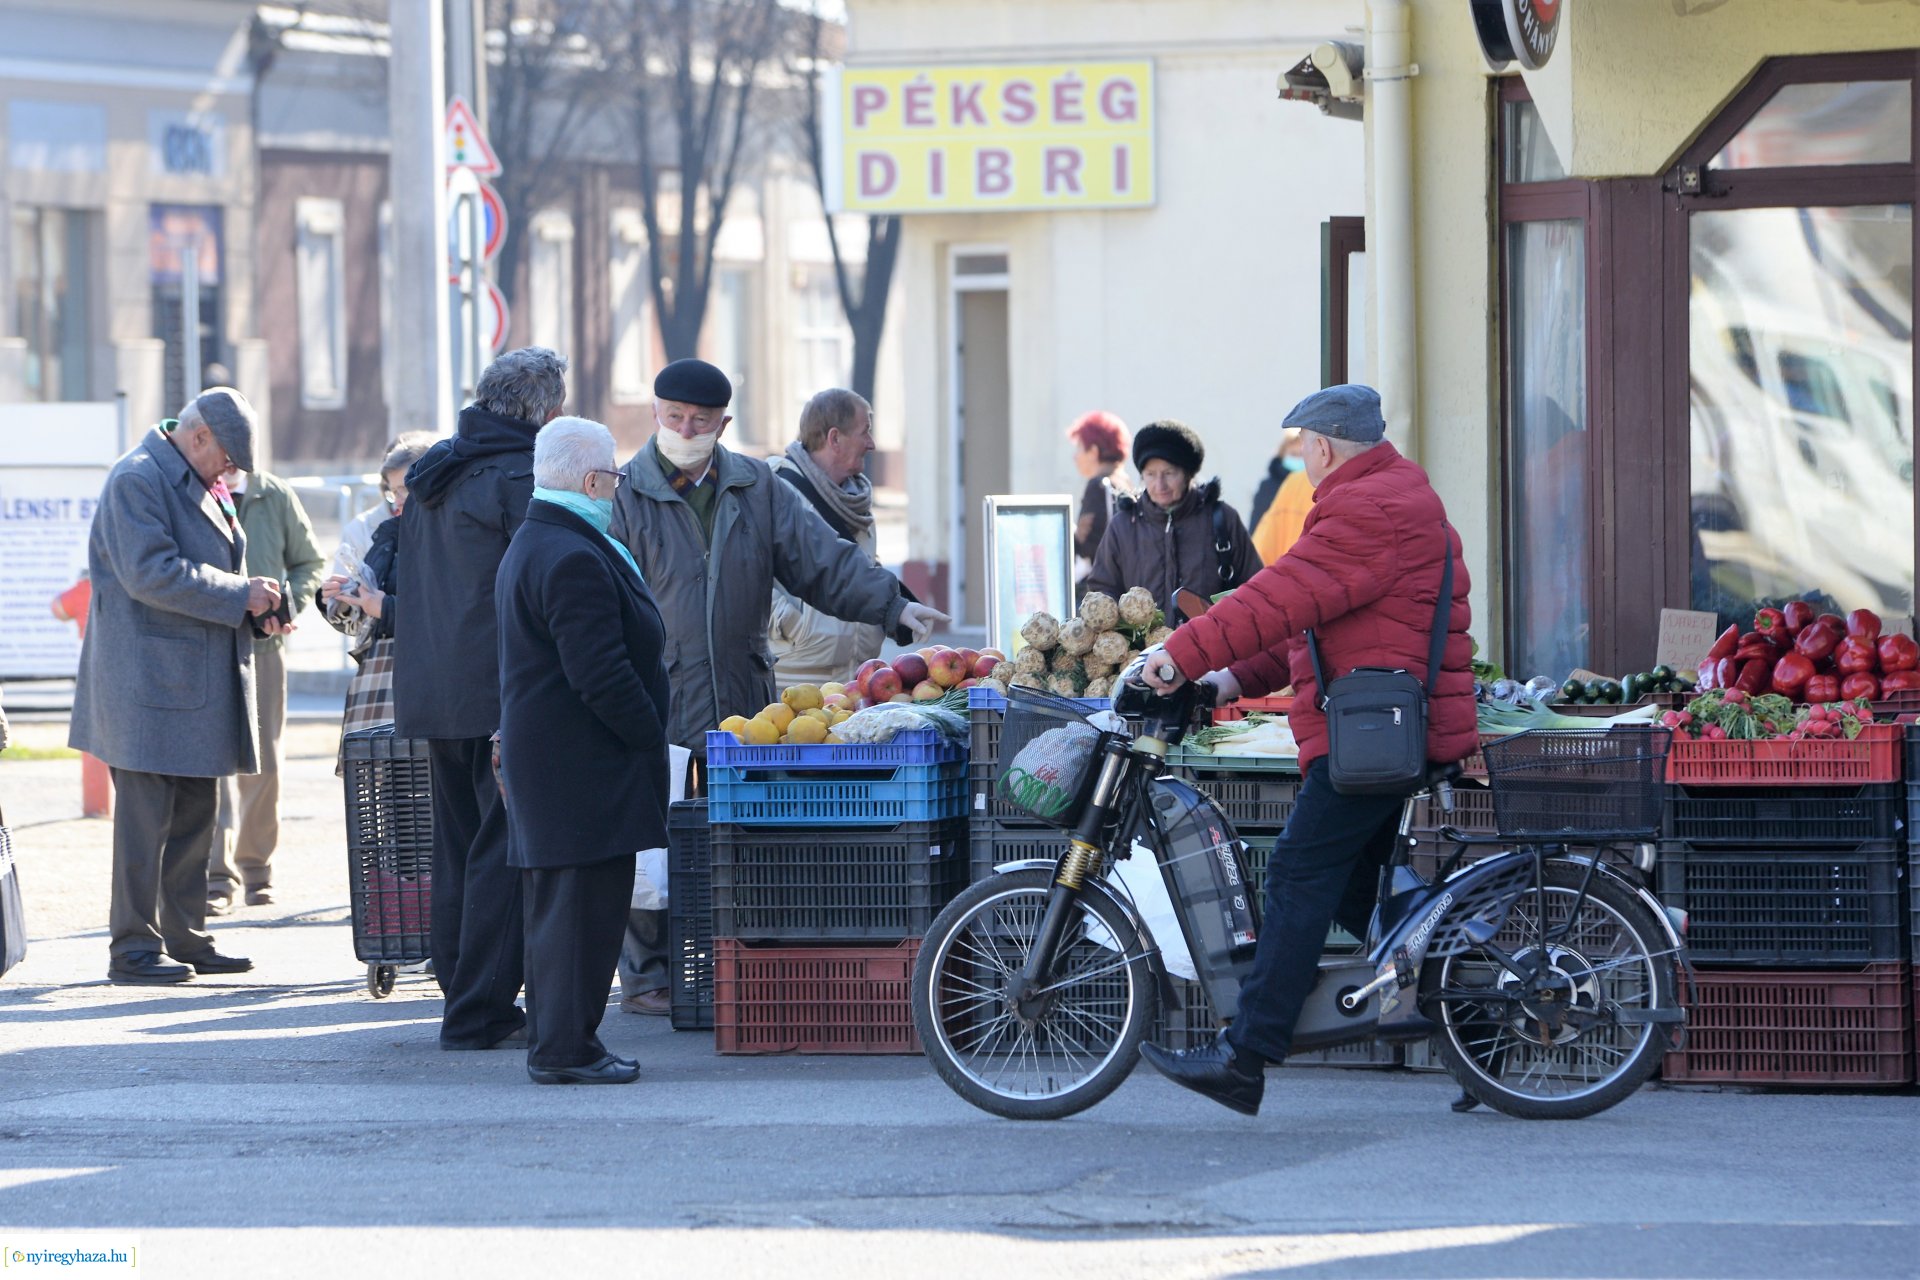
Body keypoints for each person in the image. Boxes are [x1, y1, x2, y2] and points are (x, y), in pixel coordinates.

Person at [1134, 384, 1476, 1115]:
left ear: (1321, 447)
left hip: (1376, 738)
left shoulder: (1367, 509)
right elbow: (1308, 629)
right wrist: (1224, 678)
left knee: (1296, 871)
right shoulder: (1389, 496)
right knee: (1358, 884)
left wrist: (1180, 654)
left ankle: (1246, 1053)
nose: (1304, 463)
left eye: (1304, 450)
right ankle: (1478, 1016)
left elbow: (1276, 598)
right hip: (1384, 726)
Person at [610, 359, 948, 1015]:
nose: (685, 429)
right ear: (656, 415)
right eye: (674, 417)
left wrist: (895, 606)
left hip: (741, 691)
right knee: (654, 835)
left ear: (722, 424)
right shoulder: (625, 494)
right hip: (656, 688)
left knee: (735, 835)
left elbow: (821, 560)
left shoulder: (754, 487)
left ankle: (727, 961)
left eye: (700, 421)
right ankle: (649, 975)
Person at [69, 389, 284, 984]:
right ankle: (134, 948)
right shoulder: (138, 478)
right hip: (147, 688)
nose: (231, 473)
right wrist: (241, 595)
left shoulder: (187, 474)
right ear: (199, 439)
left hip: (188, 685)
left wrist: (256, 604)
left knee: (195, 816)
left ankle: (187, 935)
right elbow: (152, 574)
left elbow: (209, 565)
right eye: (228, 460)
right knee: (145, 826)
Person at [394, 347, 567, 1050]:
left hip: (435, 687)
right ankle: (478, 1010)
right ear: (545, 411)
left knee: (461, 846)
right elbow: (541, 584)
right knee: (501, 849)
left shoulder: (437, 467)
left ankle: (461, 990)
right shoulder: (519, 476)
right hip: (500, 692)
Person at [497, 417, 670, 1084]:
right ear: (593, 480)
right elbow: (599, 673)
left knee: (562, 913)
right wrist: (647, 733)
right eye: (615, 478)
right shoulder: (570, 553)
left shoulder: (543, 538)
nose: (617, 488)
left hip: (562, 765)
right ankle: (567, 1049)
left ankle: (558, 1039)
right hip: (583, 768)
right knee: (581, 917)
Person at [205, 460, 326, 914]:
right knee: (212, 762)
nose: (228, 464)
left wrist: (288, 604)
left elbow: (309, 561)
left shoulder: (276, 495)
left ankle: (256, 870)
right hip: (210, 647)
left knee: (265, 764)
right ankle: (216, 878)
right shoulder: (196, 490)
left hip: (266, 651)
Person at [769, 388, 906, 688]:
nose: (871, 444)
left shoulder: (855, 498)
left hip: (856, 678)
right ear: (834, 438)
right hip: (794, 679)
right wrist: (791, 623)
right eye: (865, 432)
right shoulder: (775, 491)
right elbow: (746, 571)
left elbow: (861, 565)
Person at [319, 434, 436, 763]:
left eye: (403, 489)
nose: (396, 500)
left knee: (422, 793)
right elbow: (357, 618)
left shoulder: (450, 533)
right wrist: (344, 598)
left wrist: (384, 606)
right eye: (391, 490)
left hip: (426, 679)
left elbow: (445, 613)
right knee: (382, 793)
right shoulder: (383, 532)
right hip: (380, 676)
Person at [1083, 419, 1263, 623]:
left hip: (1211, 649)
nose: (1160, 485)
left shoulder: (1221, 519)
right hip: (1144, 654)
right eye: (1150, 474)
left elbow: (1254, 589)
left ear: (1188, 475)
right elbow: (1103, 592)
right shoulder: (1123, 525)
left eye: (1169, 473)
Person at [1067, 410, 1133, 591]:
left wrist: (1071, 535)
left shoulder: (1098, 485)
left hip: (1100, 591)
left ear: (1094, 451)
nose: (1075, 457)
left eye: (1079, 448)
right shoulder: (1125, 482)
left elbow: (1089, 545)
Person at [1250, 429, 1314, 563]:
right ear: (1282, 454)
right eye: (1293, 454)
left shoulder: (1315, 486)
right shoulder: (1269, 486)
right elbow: (1257, 526)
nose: (1297, 460)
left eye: (1301, 455)